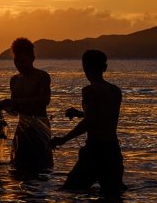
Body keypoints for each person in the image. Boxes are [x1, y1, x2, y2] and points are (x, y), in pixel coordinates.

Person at [51, 49, 126, 195]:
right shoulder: (115, 91)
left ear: (84, 68)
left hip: (95, 153)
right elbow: (104, 117)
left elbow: (90, 122)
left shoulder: (89, 91)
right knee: (113, 201)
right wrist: (80, 113)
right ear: (105, 68)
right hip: (113, 152)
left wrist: (62, 139)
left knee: (68, 192)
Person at [0, 37, 53, 171]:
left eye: (22, 60)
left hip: (39, 126)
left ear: (32, 58)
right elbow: (15, 111)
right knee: (19, 165)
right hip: (22, 127)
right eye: (16, 60)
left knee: (41, 166)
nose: (19, 64)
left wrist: (15, 102)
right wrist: (5, 106)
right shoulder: (14, 80)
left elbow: (44, 100)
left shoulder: (42, 76)